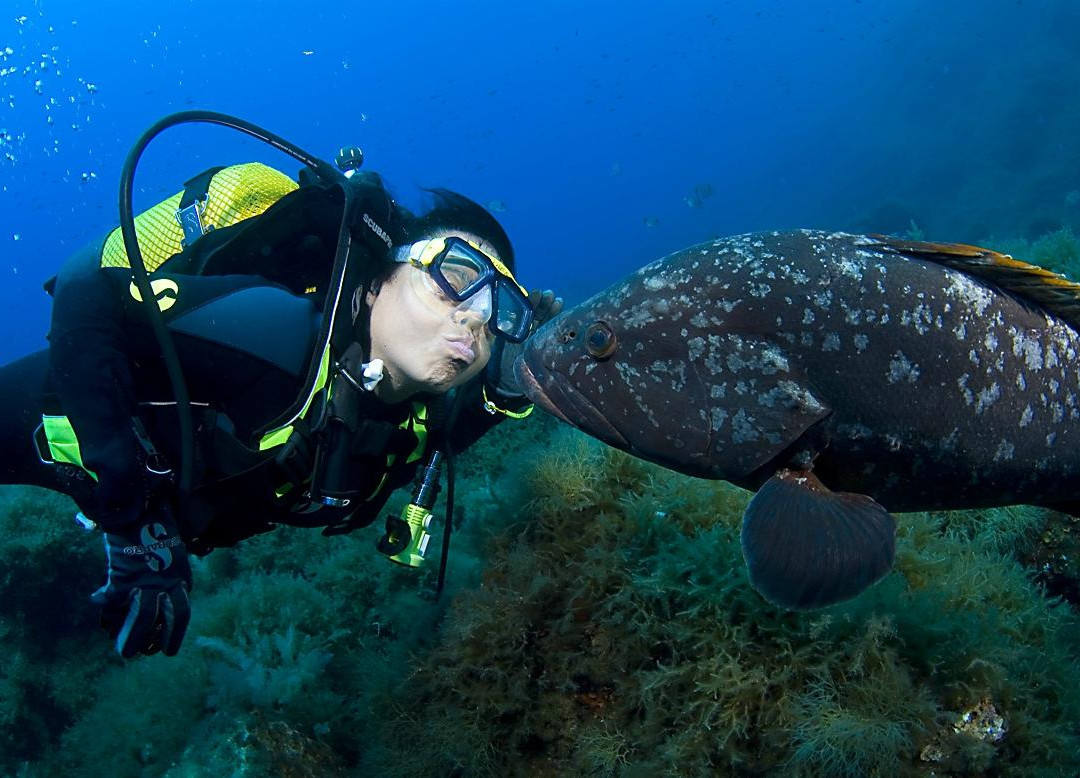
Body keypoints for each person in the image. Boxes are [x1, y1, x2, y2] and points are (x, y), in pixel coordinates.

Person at [0, 160, 561, 659]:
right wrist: (130, 516)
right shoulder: (273, 334)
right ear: (378, 281)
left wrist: (505, 396)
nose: (476, 318)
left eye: (500, 312)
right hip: (44, 417)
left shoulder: (408, 420)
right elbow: (88, 291)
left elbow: (432, 445)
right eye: (456, 278)